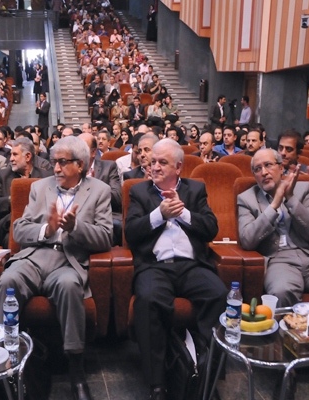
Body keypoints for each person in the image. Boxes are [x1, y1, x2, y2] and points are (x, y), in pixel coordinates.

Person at [0, 136, 112, 400]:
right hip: (35, 256)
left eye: (62, 162)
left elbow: (105, 236)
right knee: (7, 281)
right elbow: (20, 229)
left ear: (80, 165)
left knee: (69, 286)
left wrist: (75, 227)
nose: (55, 168)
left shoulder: (100, 191)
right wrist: (48, 229)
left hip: (68, 260)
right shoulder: (39, 187)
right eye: (54, 161)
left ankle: (76, 371)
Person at [125, 138, 227, 400]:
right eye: (153, 162)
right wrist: (159, 214)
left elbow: (211, 228)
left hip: (192, 265)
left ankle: (207, 374)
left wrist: (182, 213)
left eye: (162, 162)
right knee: (148, 299)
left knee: (218, 293)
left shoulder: (195, 190)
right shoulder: (139, 192)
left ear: (179, 167)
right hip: (155, 266)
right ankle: (157, 384)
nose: (155, 167)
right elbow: (131, 233)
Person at [238, 149, 309, 308]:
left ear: (280, 168)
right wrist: (274, 206)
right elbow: (247, 240)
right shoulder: (246, 199)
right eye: (257, 169)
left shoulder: (303, 189)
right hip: (279, 261)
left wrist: (290, 198)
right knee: (281, 292)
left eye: (268, 165)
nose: (264, 172)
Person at [0, 137, 52, 247]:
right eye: (11, 154)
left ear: (28, 157)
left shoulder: (45, 177)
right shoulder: (3, 176)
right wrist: (12, 199)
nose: (11, 159)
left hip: (38, 225)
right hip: (10, 228)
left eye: (15, 155)